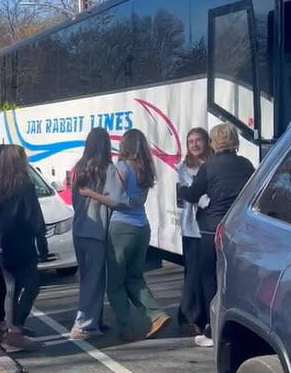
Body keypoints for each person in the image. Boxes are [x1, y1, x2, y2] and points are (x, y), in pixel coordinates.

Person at [80, 129, 171, 341]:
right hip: (142, 227)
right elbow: (136, 201)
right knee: (135, 277)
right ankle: (156, 314)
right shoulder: (147, 169)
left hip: (122, 228)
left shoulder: (120, 168)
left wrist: (89, 193)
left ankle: (127, 328)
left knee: (115, 283)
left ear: (125, 146)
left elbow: (117, 201)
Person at [178, 123, 254, 348]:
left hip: (211, 230)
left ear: (213, 142)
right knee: (236, 279)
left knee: (210, 279)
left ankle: (212, 331)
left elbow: (192, 194)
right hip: (238, 229)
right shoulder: (247, 165)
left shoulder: (209, 167)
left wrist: (181, 190)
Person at [70, 127, 133, 340]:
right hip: (97, 230)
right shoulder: (108, 169)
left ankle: (94, 318)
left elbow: (73, 198)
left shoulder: (79, 167)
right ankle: (84, 324)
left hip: (79, 228)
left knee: (88, 277)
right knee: (94, 279)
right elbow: (117, 201)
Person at [0, 145, 48, 350]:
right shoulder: (24, 184)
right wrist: (42, 240)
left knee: (11, 286)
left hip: (2, 244)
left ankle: (12, 326)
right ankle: (16, 327)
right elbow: (34, 215)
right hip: (22, 242)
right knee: (32, 285)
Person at [176, 128, 212, 336]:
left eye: (198, 140)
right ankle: (189, 317)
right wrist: (202, 199)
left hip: (208, 229)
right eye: (191, 142)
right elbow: (190, 192)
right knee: (192, 275)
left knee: (206, 274)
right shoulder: (184, 168)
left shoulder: (212, 165)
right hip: (191, 228)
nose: (195, 144)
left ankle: (206, 316)